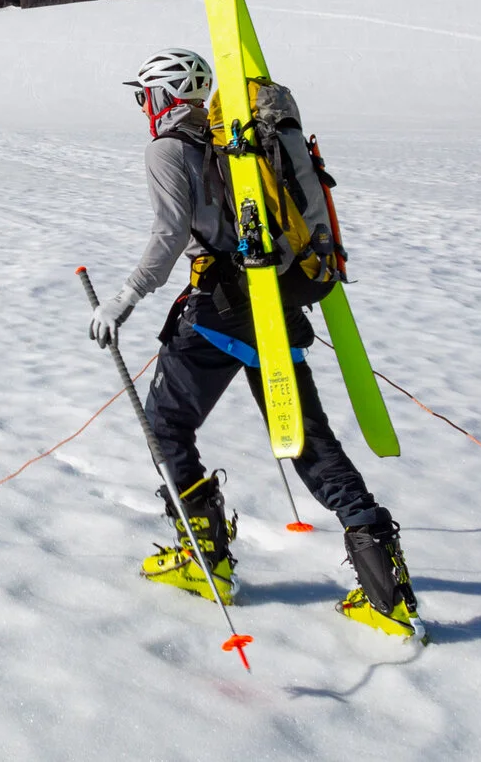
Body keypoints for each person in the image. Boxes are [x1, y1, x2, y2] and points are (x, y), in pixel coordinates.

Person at [88, 46, 420, 638]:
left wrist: (126, 297)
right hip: (278, 302)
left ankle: (205, 557)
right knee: (307, 442)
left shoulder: (168, 149)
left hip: (218, 312)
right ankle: (386, 591)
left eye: (145, 95)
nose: (144, 106)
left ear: (164, 95)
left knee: (165, 426)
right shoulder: (239, 139)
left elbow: (169, 237)